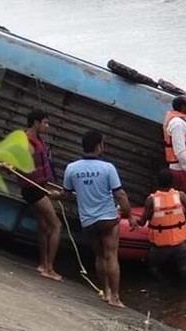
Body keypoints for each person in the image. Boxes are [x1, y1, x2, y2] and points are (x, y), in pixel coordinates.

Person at [57, 130, 139, 308]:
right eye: (103, 144)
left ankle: (106, 292)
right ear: (98, 146)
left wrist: (54, 195)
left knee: (100, 256)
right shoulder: (108, 168)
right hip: (108, 219)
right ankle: (115, 298)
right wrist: (130, 216)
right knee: (111, 256)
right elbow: (121, 195)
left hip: (88, 222)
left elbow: (66, 194)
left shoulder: (72, 168)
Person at [21, 109, 62, 281]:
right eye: (45, 122)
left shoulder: (39, 141)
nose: (47, 126)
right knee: (56, 226)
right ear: (36, 123)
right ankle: (49, 268)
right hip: (33, 189)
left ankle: (43, 264)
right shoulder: (25, 141)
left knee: (44, 225)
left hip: (39, 186)